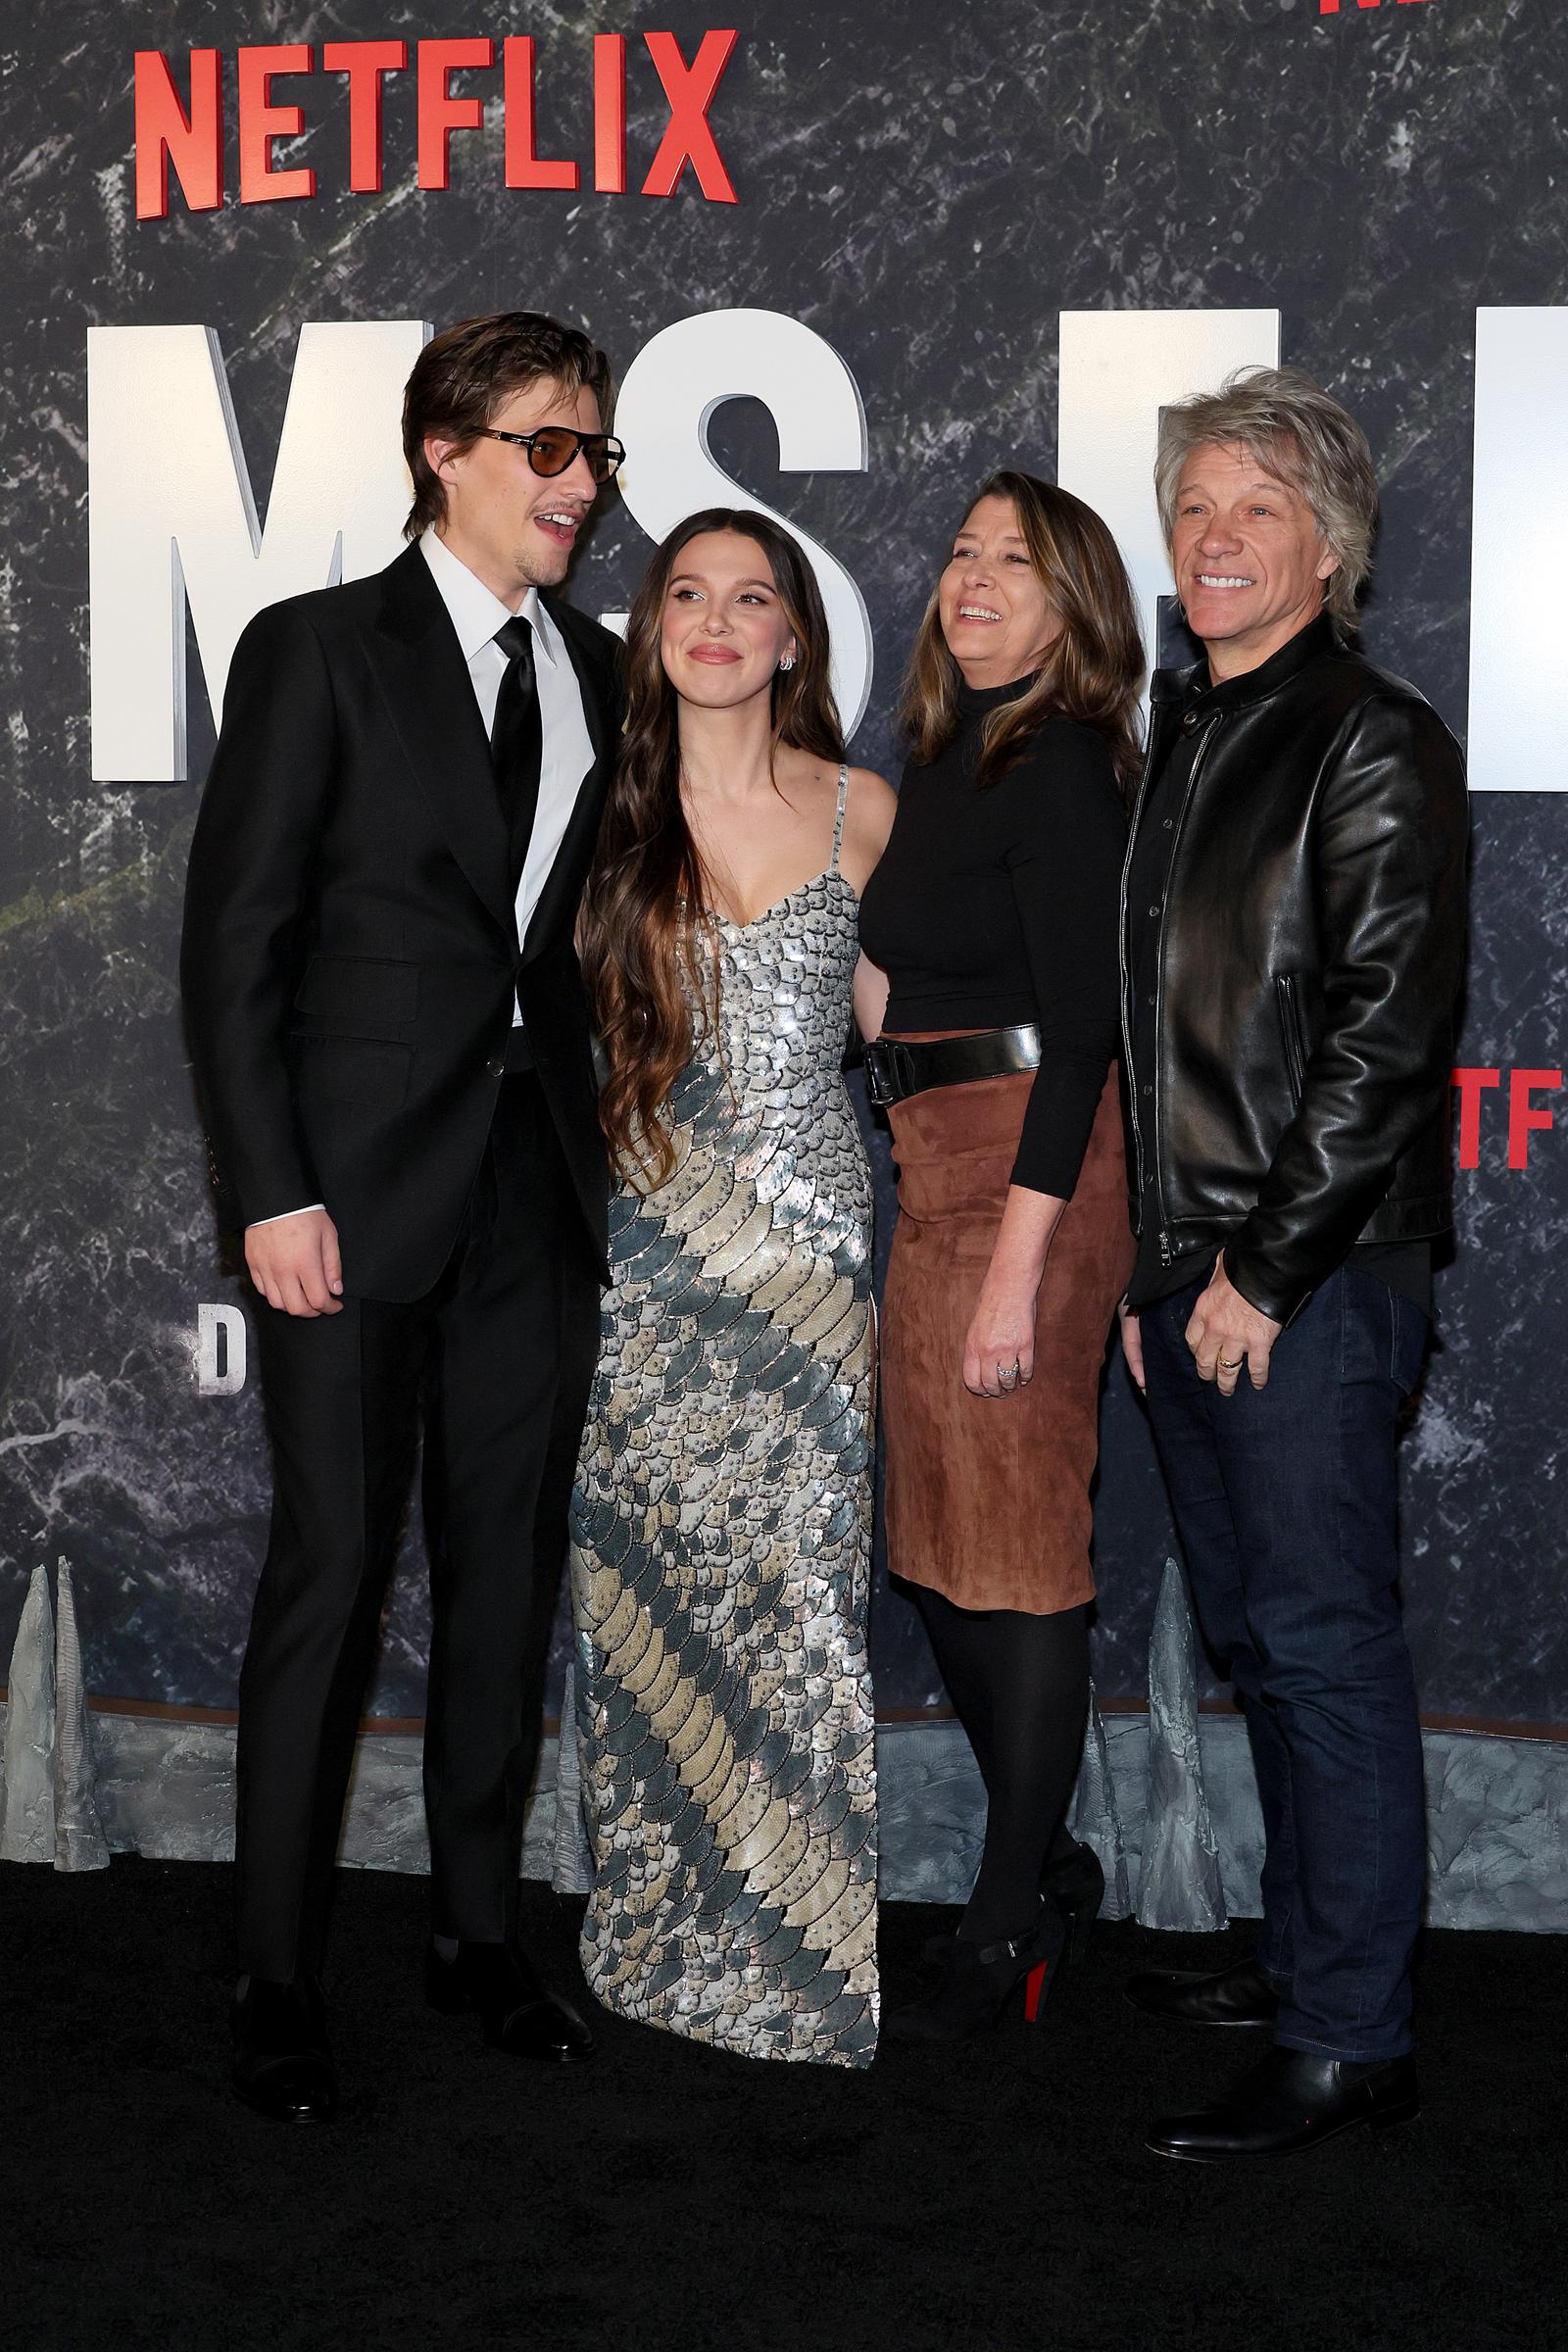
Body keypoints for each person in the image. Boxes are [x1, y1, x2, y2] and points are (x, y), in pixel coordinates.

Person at [180, 312, 626, 2122]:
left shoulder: (602, 667)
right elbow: (234, 949)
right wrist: (269, 1189)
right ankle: (277, 1973)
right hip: (347, 1197)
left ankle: (470, 1933)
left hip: (536, 1186)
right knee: (332, 1581)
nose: (581, 485)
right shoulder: (319, 651)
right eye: (547, 446)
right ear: (444, 448)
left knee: (505, 1578)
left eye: (594, 453)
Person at [1118, 366, 1468, 2161]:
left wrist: (1258, 1270)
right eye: (1196, 508)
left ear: (1331, 548)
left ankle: (1353, 2038)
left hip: (1307, 1281)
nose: (1219, 537)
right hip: (1193, 1275)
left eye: (1259, 508)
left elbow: (1384, 1040)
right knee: (1262, 1636)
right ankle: (1321, 1952)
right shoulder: (1191, 732)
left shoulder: (1369, 735)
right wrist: (1156, 1276)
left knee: (1323, 1646)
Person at [570, 509, 896, 2065]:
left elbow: (918, 1023)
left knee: (802, 1616)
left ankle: (800, 1959)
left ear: (790, 637)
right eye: (684, 594)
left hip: (814, 1280)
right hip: (646, 1272)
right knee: (649, 1606)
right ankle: (652, 1941)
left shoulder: (865, 813)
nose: (714, 619)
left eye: (748, 596)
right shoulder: (596, 814)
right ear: (653, 632)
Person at [857, 470, 1142, 2040]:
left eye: (1013, 564)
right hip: (932, 1160)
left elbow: (1090, 1034)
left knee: (1017, 1552)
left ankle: (1013, 1904)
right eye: (961, 554)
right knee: (944, 1542)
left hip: (1038, 1166)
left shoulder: (1067, 767)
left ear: (1074, 605)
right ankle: (1058, 1862)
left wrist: (1022, 1274)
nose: (973, 580)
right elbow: (896, 986)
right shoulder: (949, 755)